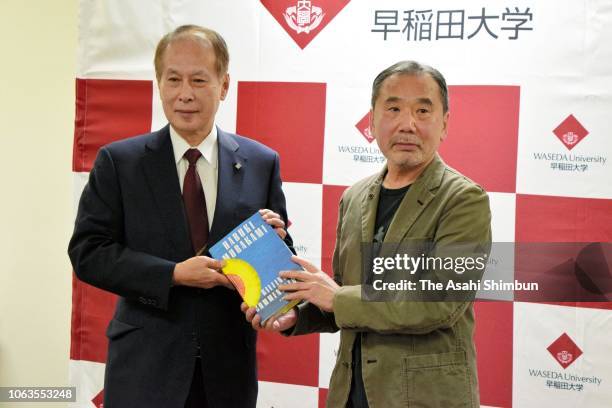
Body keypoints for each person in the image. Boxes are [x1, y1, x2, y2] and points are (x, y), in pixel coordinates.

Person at [244, 61, 492, 407]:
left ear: (445, 123)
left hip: (424, 396)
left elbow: (440, 301)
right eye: (393, 109)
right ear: (372, 121)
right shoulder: (355, 197)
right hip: (352, 392)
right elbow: (344, 292)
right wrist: (296, 314)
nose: (407, 124)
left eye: (423, 110)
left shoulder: (463, 198)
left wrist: (336, 297)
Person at [69, 25, 291, 408]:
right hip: (144, 369)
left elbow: (277, 258)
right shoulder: (119, 163)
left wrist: (276, 241)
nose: (185, 93)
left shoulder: (260, 163)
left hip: (228, 374)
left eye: (199, 80)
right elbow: (88, 253)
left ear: (223, 86)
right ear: (159, 84)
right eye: (173, 79)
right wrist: (172, 274)